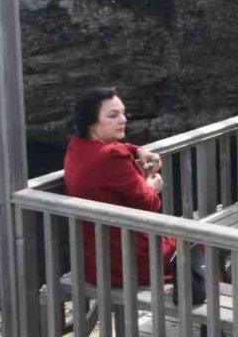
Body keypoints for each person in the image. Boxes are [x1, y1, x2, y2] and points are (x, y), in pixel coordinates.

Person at [63, 88, 207, 304]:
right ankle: (210, 317)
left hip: (95, 256)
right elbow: (149, 204)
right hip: (126, 259)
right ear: (91, 121)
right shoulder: (111, 156)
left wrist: (137, 150)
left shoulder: (78, 145)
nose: (122, 120)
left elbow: (113, 147)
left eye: (123, 113)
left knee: (192, 243)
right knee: (204, 249)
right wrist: (152, 186)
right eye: (113, 115)